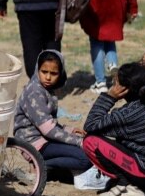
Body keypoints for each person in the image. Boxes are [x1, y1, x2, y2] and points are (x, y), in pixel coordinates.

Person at [82, 63, 145, 196]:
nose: (113, 83)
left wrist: (109, 97)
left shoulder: (128, 114)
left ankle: (127, 186)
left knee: (90, 142)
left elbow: (90, 125)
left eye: (116, 82)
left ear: (123, 89)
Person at [13, 50, 102, 187]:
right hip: (33, 144)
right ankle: (40, 167)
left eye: (53, 73)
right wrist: (78, 141)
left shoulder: (46, 90)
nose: (48, 77)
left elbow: (49, 123)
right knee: (84, 158)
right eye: (44, 72)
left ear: (60, 73)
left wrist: (70, 130)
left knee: (81, 153)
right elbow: (48, 130)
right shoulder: (35, 92)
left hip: (44, 139)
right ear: (37, 69)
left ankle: (49, 168)